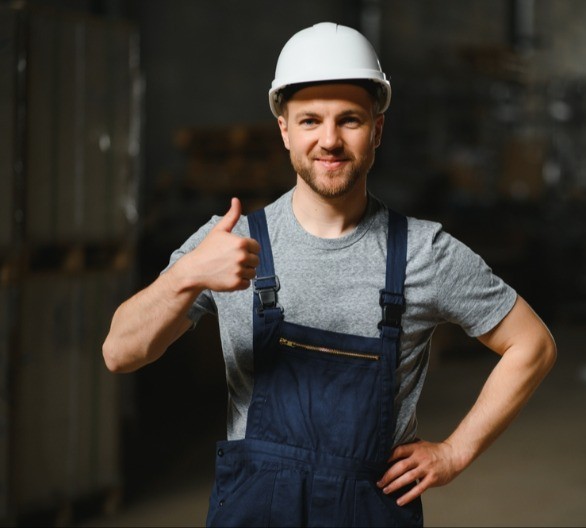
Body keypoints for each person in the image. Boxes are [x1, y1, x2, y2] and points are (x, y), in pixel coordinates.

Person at [103, 21, 556, 527]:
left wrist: (454, 452)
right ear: (285, 131)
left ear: (377, 130)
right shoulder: (226, 243)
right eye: (311, 121)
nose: (330, 141)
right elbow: (120, 353)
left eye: (350, 121)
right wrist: (185, 275)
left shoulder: (424, 253)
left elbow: (532, 345)